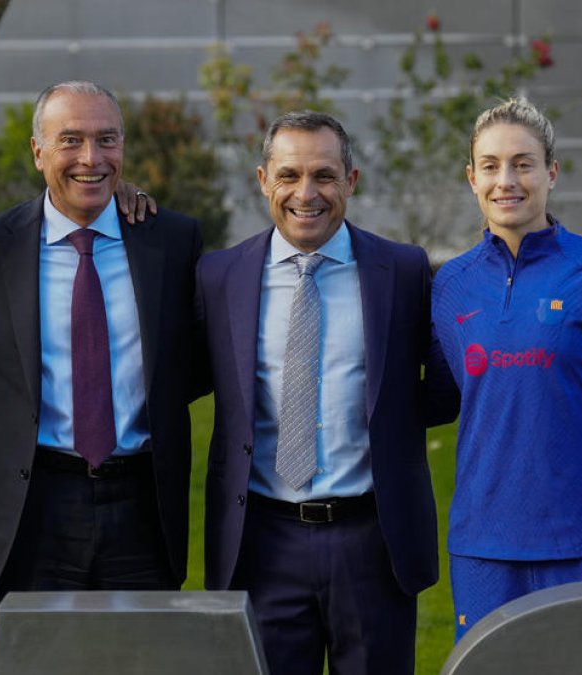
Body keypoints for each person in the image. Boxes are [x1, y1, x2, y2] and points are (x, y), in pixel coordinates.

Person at [194, 110, 459, 675]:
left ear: (351, 181)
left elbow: (442, 386)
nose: (306, 193)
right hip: (261, 542)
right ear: (263, 180)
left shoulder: (403, 271)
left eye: (324, 175)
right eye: (289, 175)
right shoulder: (218, 277)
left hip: (373, 541)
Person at [0, 80, 203, 641]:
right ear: (38, 152)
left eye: (106, 140)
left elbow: (202, 360)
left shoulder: (172, 242)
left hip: (142, 506)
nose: (91, 158)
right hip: (25, 507)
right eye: (71, 141)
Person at [431, 97, 582, 640]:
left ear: (551, 173)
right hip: (481, 550)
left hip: (581, 547)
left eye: (523, 163)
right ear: (471, 178)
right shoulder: (450, 286)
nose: (505, 180)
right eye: (490, 165)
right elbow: (440, 398)